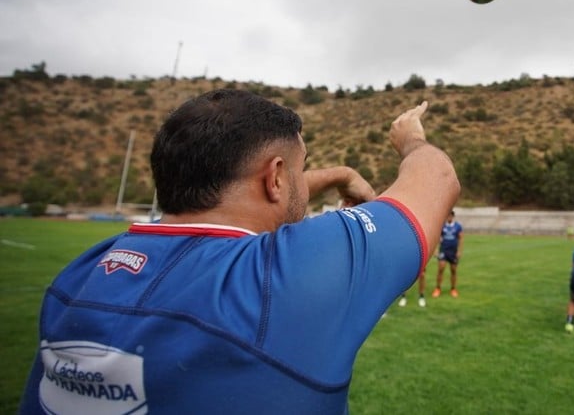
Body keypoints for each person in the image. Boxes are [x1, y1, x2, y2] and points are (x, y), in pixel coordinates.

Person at [20, 89, 460, 414]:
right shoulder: (282, 281)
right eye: (299, 169)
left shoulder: (80, 274)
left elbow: (249, 194)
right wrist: (411, 140)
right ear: (275, 177)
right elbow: (436, 179)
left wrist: (339, 173)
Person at [431, 210, 463, 298]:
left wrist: (459, 251)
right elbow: (437, 238)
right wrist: (436, 249)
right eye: (448, 216)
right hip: (443, 251)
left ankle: (453, 289)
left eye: (450, 216)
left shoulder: (458, 226)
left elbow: (460, 239)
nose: (449, 217)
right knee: (441, 269)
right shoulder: (442, 226)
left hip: (453, 252)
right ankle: (437, 288)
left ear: (453, 217)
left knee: (453, 270)